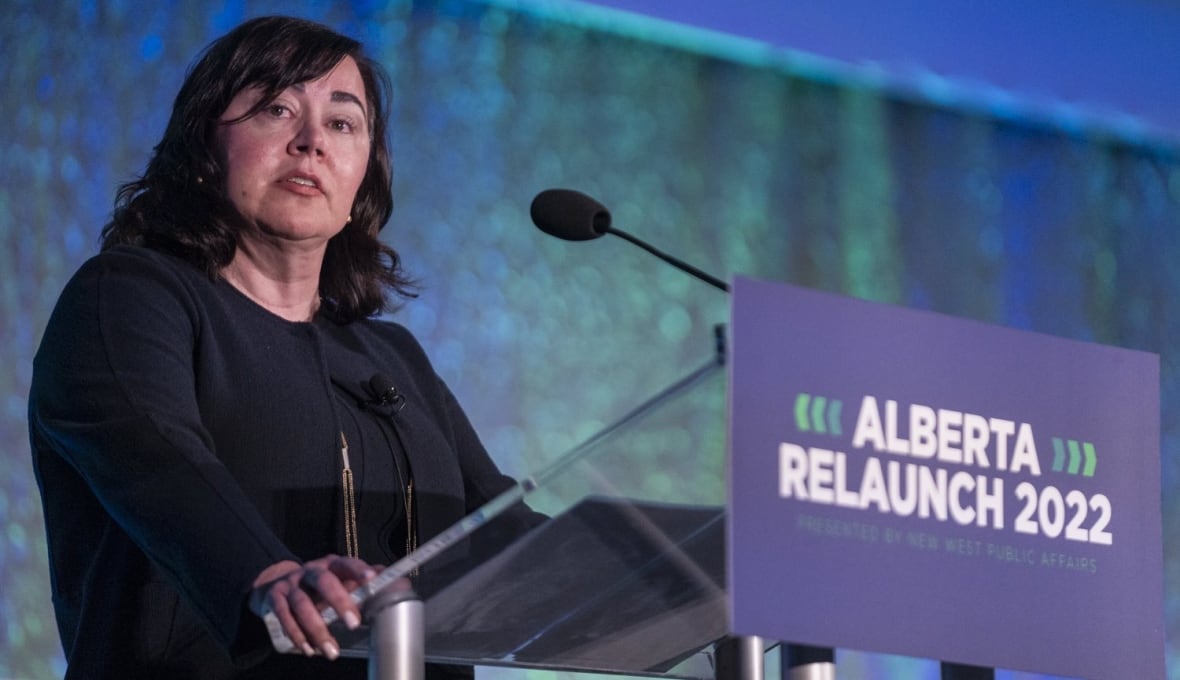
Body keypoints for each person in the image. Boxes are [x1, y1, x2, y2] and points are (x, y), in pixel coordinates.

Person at [28, 15, 535, 679]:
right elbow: (154, 458)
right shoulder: (128, 297)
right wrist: (265, 576)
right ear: (204, 151)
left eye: (342, 123)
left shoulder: (393, 357)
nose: (310, 142)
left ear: (362, 181)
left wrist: (666, 573)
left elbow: (499, 524)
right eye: (275, 108)